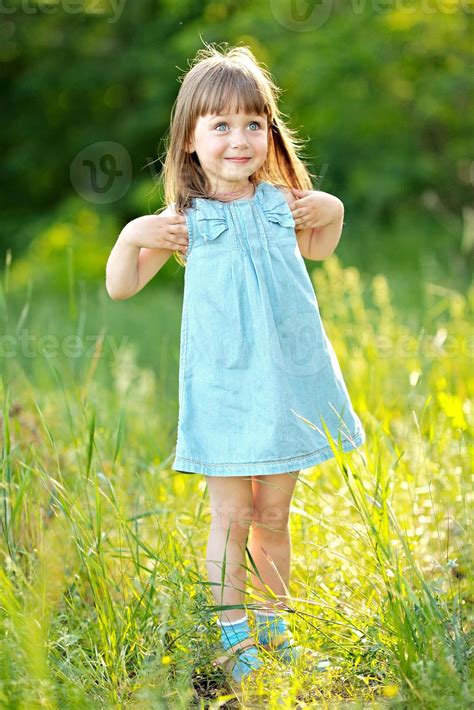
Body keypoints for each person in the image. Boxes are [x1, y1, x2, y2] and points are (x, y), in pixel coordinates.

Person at [105, 42, 366, 685]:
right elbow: (121, 287)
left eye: (253, 123)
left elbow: (324, 245)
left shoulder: (282, 203)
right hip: (224, 390)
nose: (239, 138)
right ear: (190, 141)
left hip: (285, 387)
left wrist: (330, 207)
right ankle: (233, 635)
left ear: (269, 133)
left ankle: (276, 624)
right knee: (232, 515)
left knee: (274, 515)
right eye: (220, 125)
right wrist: (130, 234)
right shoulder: (183, 221)